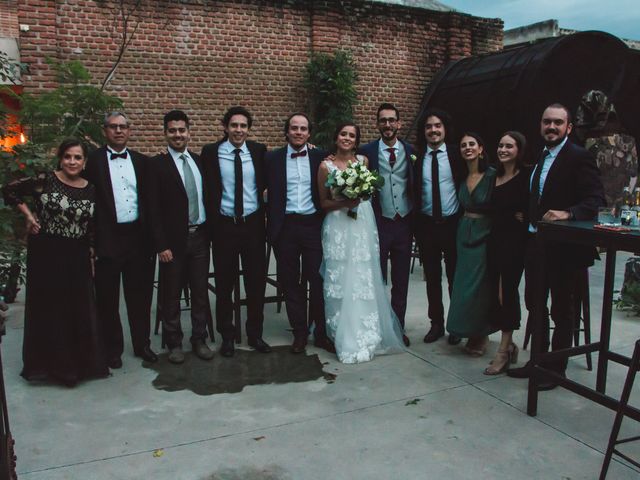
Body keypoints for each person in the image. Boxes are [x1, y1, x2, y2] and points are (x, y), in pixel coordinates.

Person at [507, 103, 605, 390]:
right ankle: (537, 361)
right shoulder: (542, 155)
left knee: (562, 308)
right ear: (541, 125)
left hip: (565, 248)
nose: (551, 127)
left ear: (569, 127)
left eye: (557, 123)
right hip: (536, 243)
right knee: (536, 306)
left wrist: (568, 213)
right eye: (547, 122)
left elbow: (595, 200)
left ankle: (556, 369)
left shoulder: (579, 156)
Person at [2, 138, 108, 386]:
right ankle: (49, 367)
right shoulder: (45, 180)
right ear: (60, 158)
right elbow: (9, 189)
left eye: (77, 157)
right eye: (68, 156)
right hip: (47, 253)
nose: (72, 161)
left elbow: (91, 227)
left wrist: (91, 254)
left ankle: (75, 367)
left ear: (84, 162)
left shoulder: (90, 188)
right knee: (50, 309)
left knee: (76, 309)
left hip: (77, 254)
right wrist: (29, 216)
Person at [317, 122, 405, 364]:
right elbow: (323, 203)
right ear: (336, 138)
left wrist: (359, 197)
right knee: (340, 274)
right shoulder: (325, 166)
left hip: (362, 223)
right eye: (343, 134)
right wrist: (345, 202)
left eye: (351, 135)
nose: (347, 138)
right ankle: (340, 332)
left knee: (362, 273)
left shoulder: (364, 162)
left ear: (356, 141)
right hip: (337, 225)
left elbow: (370, 193)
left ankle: (368, 332)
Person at [85, 112, 157, 368]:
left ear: (129, 130)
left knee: (140, 296)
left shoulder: (142, 162)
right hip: (108, 237)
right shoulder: (92, 162)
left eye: (123, 127)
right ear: (105, 131)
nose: (118, 131)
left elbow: (150, 203)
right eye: (113, 127)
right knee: (108, 298)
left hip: (138, 237)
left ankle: (142, 344)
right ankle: (112, 350)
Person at [200, 106, 271, 357]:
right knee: (224, 285)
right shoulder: (211, 152)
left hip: (252, 225)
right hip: (224, 226)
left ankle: (255, 334)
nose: (238, 130)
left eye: (243, 126)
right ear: (225, 127)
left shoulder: (258, 151)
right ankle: (227, 337)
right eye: (234, 125)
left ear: (248, 129)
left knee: (256, 284)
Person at [148, 110, 214, 364]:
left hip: (199, 237)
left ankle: (199, 339)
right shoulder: (157, 165)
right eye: (172, 130)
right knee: (171, 294)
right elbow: (152, 209)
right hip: (172, 243)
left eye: (182, 130)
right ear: (165, 133)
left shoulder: (199, 161)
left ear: (189, 132)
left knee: (199, 292)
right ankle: (173, 342)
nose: (178, 134)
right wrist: (160, 244)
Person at [266, 113, 335, 354]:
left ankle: (321, 332)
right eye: (294, 128)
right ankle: (299, 332)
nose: (298, 132)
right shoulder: (272, 158)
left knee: (317, 279)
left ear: (309, 133)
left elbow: (350, 157)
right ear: (286, 132)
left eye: (303, 129)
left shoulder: (320, 156)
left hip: (312, 225)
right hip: (285, 227)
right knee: (290, 282)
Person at [359, 103, 413, 347]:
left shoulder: (412, 151)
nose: (388, 125)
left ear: (399, 123)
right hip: (379, 222)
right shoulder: (366, 152)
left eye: (392, 120)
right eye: (383, 120)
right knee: (377, 279)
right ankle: (378, 326)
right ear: (377, 124)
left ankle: (397, 327)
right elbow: (341, 158)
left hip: (404, 223)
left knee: (401, 281)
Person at [414, 109, 466, 346]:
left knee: (455, 277)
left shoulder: (458, 155)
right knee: (432, 278)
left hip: (453, 223)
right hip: (427, 225)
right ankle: (436, 323)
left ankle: (456, 325)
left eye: (437, 126)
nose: (433, 130)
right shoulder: (417, 156)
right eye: (428, 126)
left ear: (445, 129)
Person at [446, 133, 496, 355]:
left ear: (481, 148)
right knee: (463, 286)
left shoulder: (493, 175)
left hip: (485, 234)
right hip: (463, 233)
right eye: (463, 145)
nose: (467, 148)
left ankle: (481, 334)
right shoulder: (462, 176)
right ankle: (466, 329)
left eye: (472, 144)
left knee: (480, 287)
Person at [484, 131, 529, 375]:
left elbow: (535, 203)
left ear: (518, 150)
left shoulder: (526, 176)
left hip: (515, 242)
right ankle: (509, 344)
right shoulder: (494, 175)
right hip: (494, 240)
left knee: (506, 293)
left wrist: (526, 216)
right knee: (494, 293)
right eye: (500, 145)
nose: (503, 150)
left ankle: (502, 350)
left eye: (509, 146)